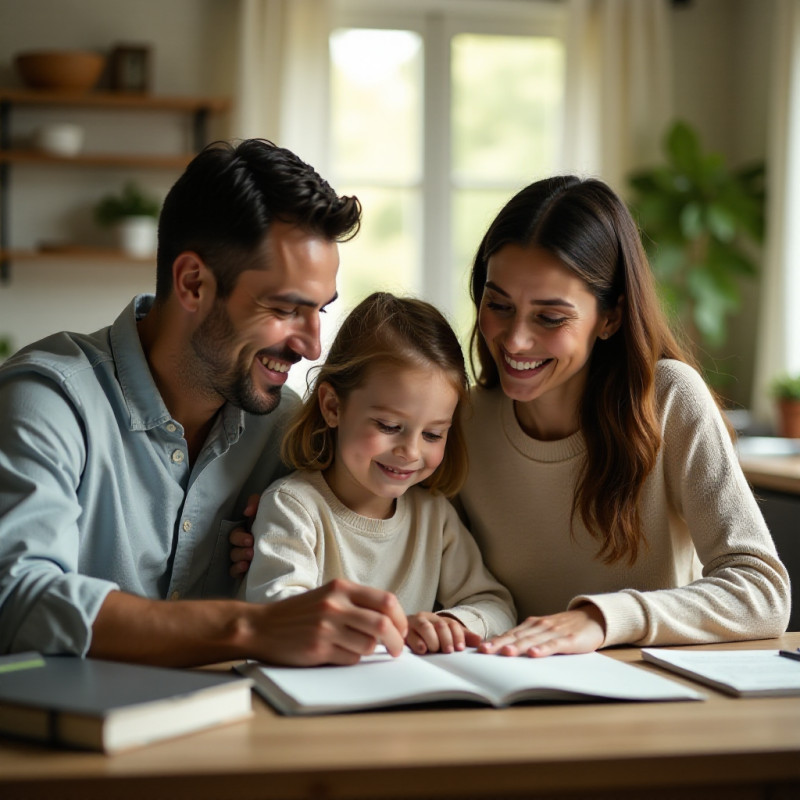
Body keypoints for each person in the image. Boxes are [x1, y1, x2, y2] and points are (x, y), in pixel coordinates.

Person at [0, 138, 409, 667]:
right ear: (193, 284)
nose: (311, 347)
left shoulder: (287, 430)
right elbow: (16, 599)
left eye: (320, 312)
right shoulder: (48, 401)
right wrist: (250, 625)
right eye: (286, 309)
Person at [458, 175, 790, 658]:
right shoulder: (462, 422)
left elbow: (762, 594)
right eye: (498, 305)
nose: (514, 340)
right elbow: (461, 584)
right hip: (512, 692)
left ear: (610, 317)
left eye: (550, 317)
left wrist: (602, 619)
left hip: (651, 703)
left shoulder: (670, 399)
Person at [241, 292, 516, 654]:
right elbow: (278, 612)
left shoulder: (434, 516)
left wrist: (452, 624)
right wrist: (392, 631)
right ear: (332, 406)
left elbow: (496, 606)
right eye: (388, 425)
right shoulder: (293, 506)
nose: (411, 452)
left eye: (433, 434)